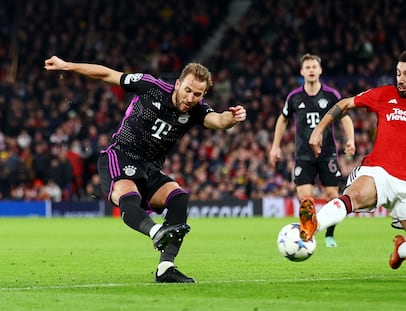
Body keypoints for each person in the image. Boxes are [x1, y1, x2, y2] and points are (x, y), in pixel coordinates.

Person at [44, 55, 246, 283]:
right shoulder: (151, 87)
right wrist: (67, 66)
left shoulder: (196, 110)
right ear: (178, 84)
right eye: (188, 90)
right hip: (121, 155)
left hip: (150, 168)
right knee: (127, 195)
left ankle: (165, 268)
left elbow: (219, 121)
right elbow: (108, 74)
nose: (190, 98)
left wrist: (234, 117)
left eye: (197, 94)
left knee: (179, 198)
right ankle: (154, 231)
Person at [301, 50, 406, 269]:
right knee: (355, 196)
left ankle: (401, 249)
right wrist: (319, 129)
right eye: (398, 73)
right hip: (381, 171)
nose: (401, 80)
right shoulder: (385, 95)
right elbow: (346, 104)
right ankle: (314, 225)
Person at [269, 53, 356, 247]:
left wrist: (351, 139)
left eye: (314, 67)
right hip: (303, 155)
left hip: (327, 154)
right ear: (302, 71)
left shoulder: (331, 95)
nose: (311, 70)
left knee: (333, 196)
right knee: (304, 197)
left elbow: (345, 118)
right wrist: (275, 146)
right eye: (307, 67)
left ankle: (329, 235)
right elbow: (282, 119)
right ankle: (307, 231)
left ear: (320, 70)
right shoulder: (294, 97)